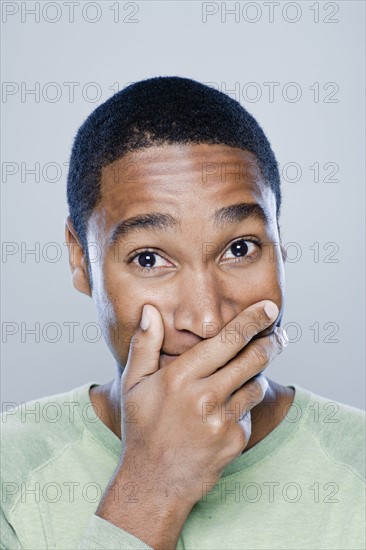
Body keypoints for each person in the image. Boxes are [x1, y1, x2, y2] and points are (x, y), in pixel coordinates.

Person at [1, 76, 364, 550]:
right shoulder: (12, 472)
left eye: (240, 248)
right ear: (79, 258)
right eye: (148, 258)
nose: (208, 319)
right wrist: (153, 486)